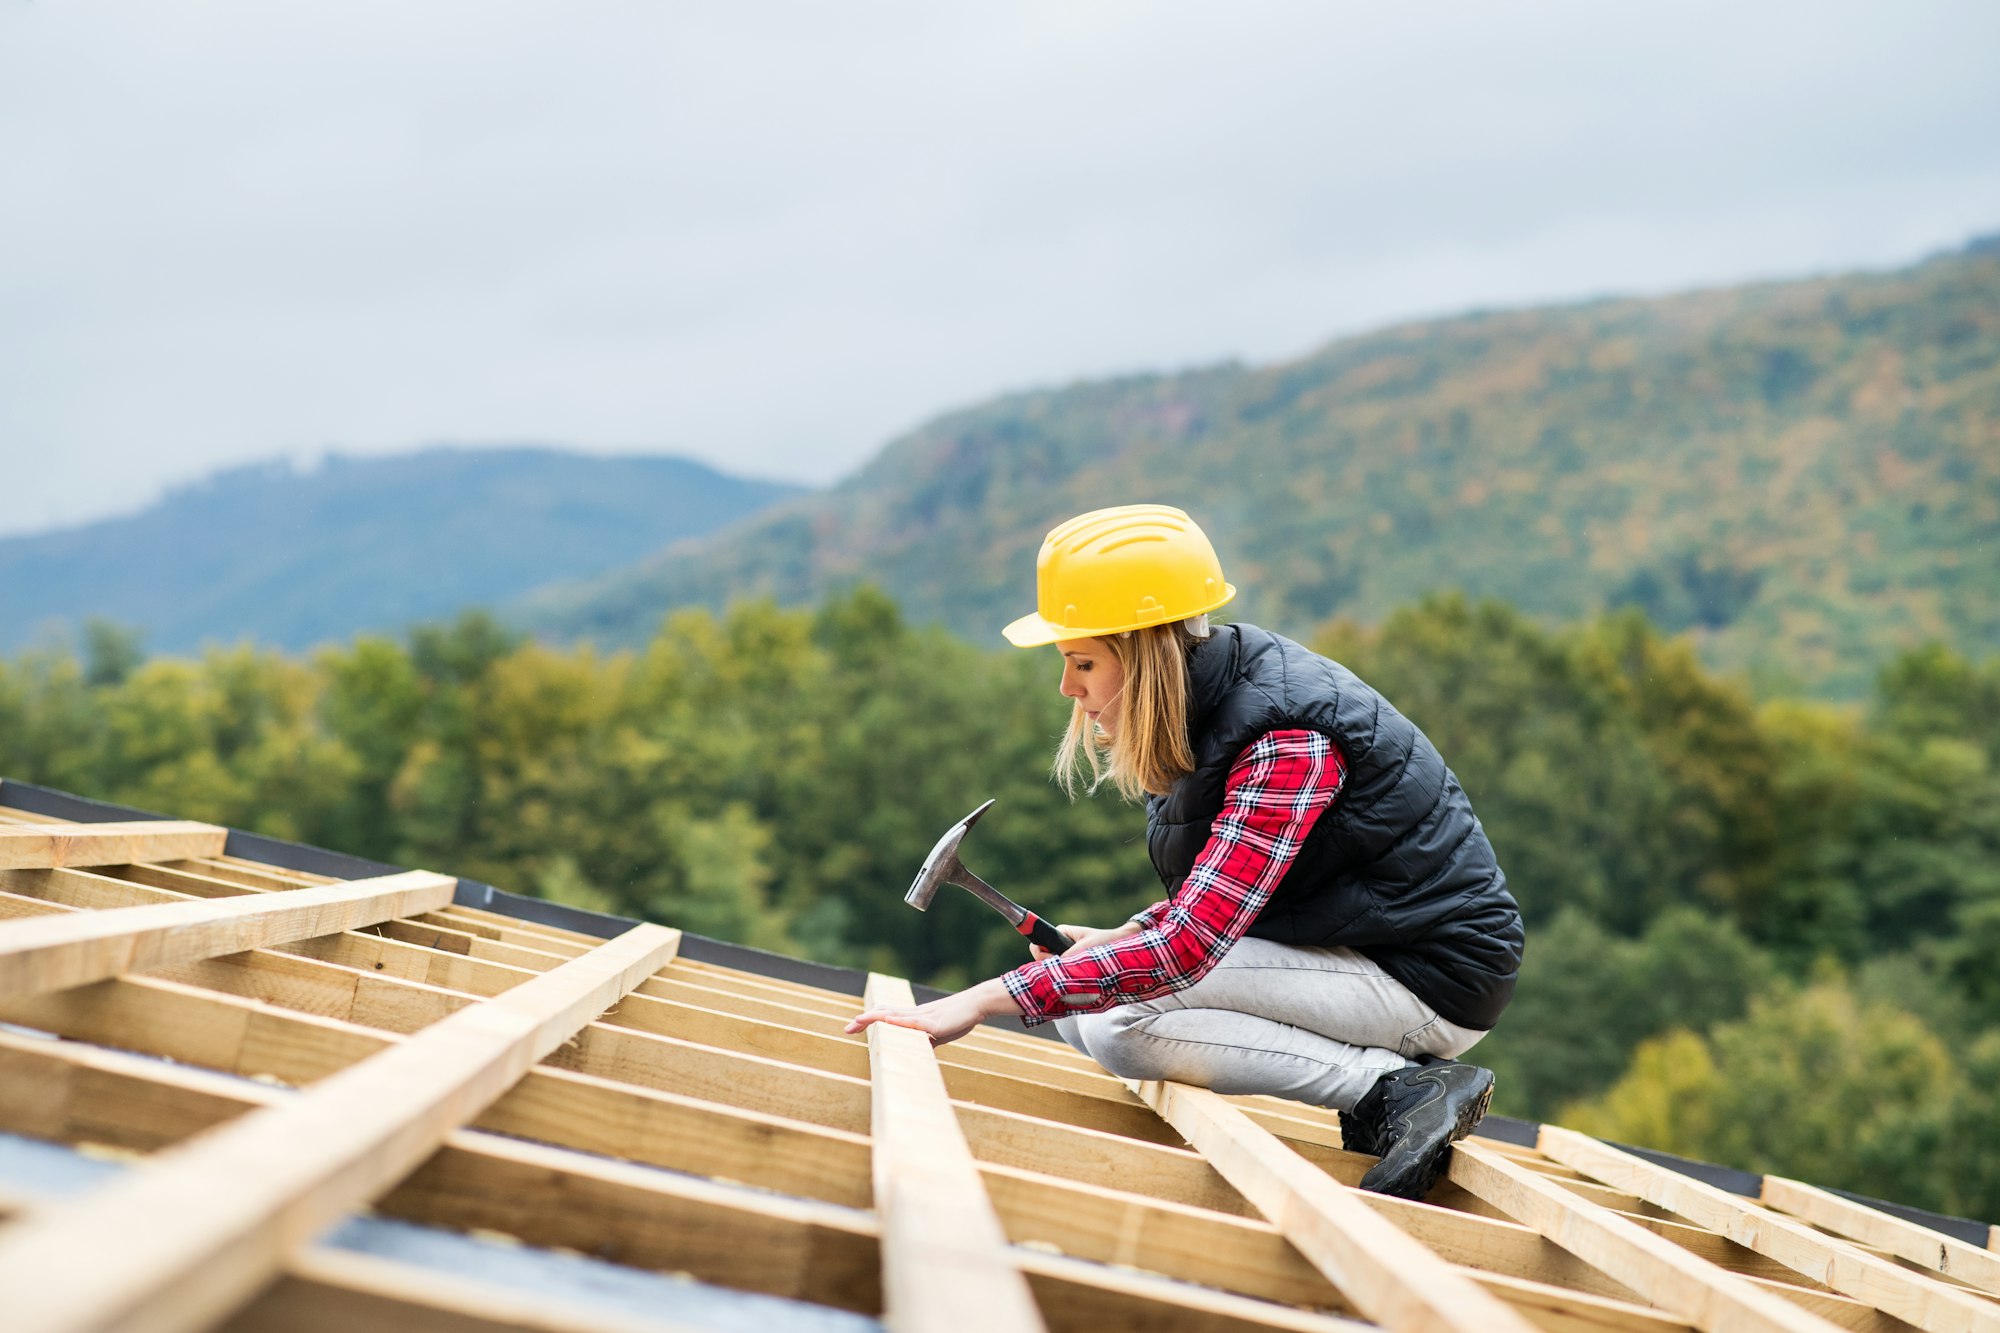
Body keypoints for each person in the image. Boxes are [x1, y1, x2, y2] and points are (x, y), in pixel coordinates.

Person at [847, 503, 1524, 1198]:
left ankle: (1397, 1087)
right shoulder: (1204, 712)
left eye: (1083, 661)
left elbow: (1190, 945)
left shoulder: (1285, 739)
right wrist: (1124, 936)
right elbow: (1229, 891)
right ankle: (1387, 1083)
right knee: (1083, 1008)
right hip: (1350, 949)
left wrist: (981, 1000)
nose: (1068, 688)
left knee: (1119, 1024)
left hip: (1429, 975)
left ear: (1143, 653)